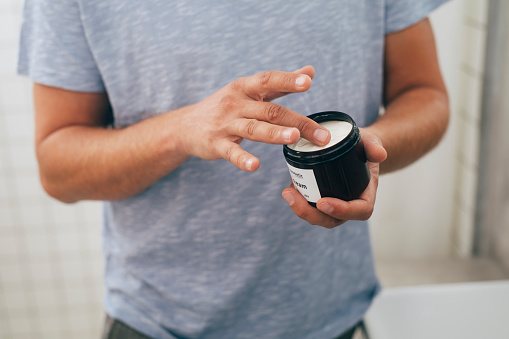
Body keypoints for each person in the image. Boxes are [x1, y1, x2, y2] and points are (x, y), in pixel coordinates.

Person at [18, 0, 449, 338]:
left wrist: (360, 150)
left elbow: (425, 94)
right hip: (160, 325)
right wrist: (180, 130)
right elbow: (58, 167)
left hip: (330, 316)